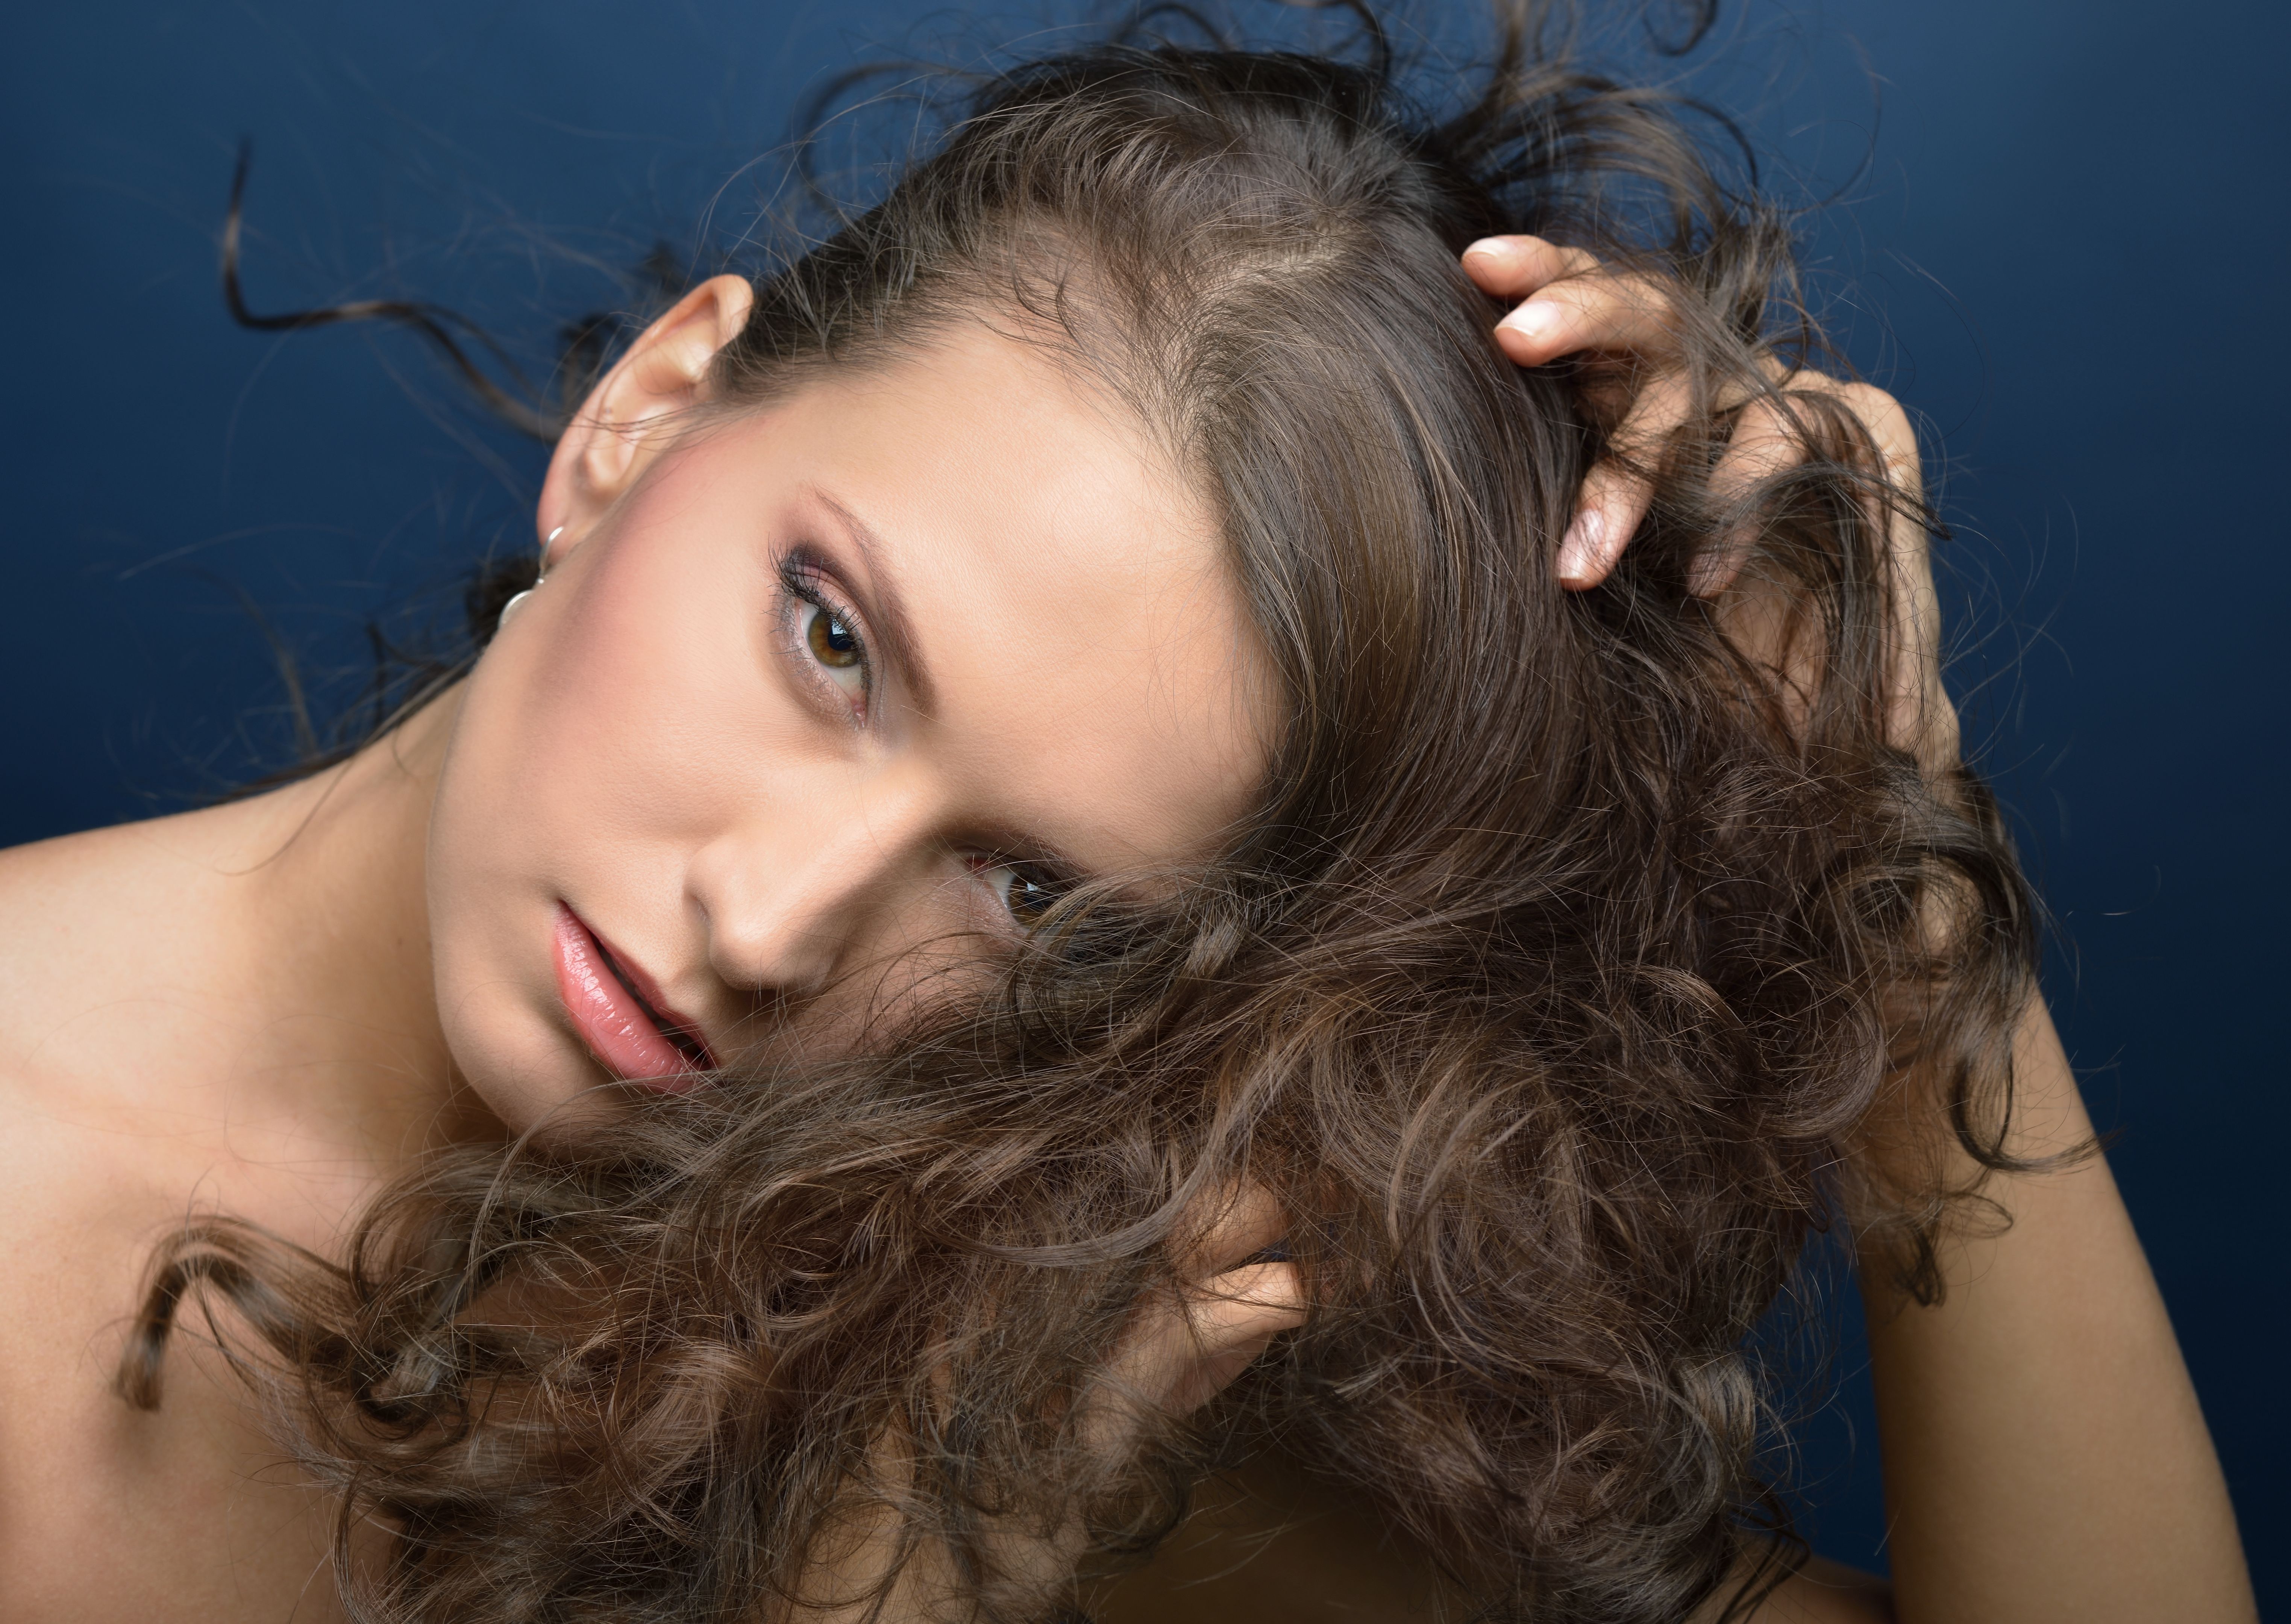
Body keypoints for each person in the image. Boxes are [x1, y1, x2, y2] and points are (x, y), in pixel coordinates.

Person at [0, 9, 2253, 1622]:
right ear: (643, 420)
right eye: (833, 644)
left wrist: (1890, 868)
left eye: (1034, 891)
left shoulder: (970, 1353)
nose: (774, 921)